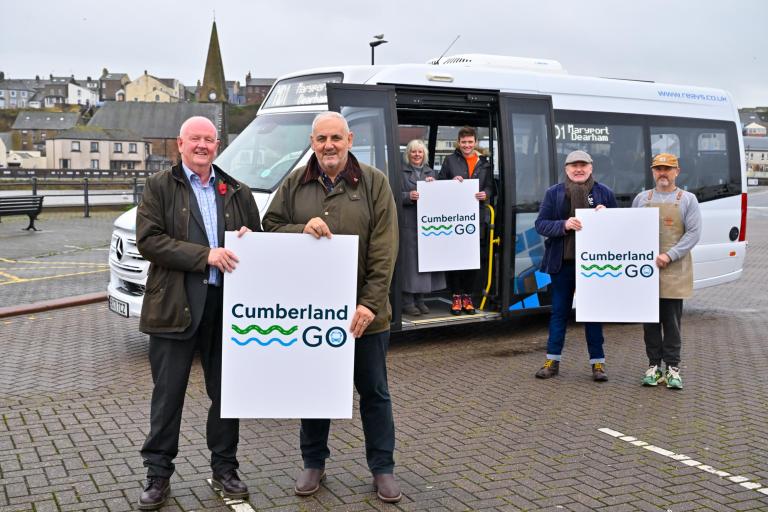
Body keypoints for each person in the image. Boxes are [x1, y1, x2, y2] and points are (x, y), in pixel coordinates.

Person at [262, 112, 401, 503]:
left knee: (374, 393)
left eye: (336, 138)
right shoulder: (295, 183)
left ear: (350, 139)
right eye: (321, 139)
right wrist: (300, 228)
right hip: (315, 316)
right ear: (312, 142)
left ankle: (383, 468)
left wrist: (369, 304)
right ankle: (313, 463)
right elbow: (269, 227)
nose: (329, 146)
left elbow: (385, 249)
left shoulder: (374, 183)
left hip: (365, 318)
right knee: (315, 392)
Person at [135, 116, 262, 510]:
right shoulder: (159, 186)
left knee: (226, 395)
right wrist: (204, 255)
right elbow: (149, 241)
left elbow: (258, 239)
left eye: (209, 139)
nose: (202, 145)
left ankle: (225, 468)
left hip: (226, 308)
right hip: (174, 306)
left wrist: (250, 239)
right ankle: (158, 475)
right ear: (181, 143)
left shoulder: (237, 190)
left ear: (217, 144)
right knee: (167, 395)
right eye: (195, 139)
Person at [534, 150, 617, 381]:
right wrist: (564, 224)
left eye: (583, 165)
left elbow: (619, 228)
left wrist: (608, 216)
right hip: (563, 264)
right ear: (566, 169)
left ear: (591, 168)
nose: (578, 169)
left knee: (593, 314)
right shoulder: (554, 193)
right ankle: (552, 361)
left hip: (594, 266)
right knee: (559, 313)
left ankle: (598, 364)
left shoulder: (604, 193)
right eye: (574, 165)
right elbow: (540, 224)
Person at [633, 153, 701, 390]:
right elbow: (629, 229)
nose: (663, 173)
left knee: (672, 322)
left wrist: (669, 255)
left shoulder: (688, 200)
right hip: (646, 272)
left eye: (667, 169)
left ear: (677, 172)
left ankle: (672, 367)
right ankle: (653, 366)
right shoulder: (642, 199)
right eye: (658, 169)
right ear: (653, 172)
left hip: (674, 270)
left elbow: (693, 233)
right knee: (650, 322)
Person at [438, 126, 493, 315]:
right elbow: (439, 183)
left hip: (476, 219)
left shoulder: (484, 163)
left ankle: (467, 297)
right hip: (454, 219)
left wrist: (485, 194)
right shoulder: (449, 160)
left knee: (472, 260)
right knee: (455, 260)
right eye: (464, 142)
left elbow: (491, 187)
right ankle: (456, 297)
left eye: (470, 142)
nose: (467, 145)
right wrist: (451, 182)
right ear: (458, 143)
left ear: (475, 142)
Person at [400, 139, 446, 316]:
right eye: (413, 151)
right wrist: (407, 196)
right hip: (409, 224)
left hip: (427, 226)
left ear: (424, 154)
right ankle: (407, 302)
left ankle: (420, 300)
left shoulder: (431, 172)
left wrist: (435, 186)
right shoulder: (399, 172)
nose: (417, 155)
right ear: (408, 154)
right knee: (410, 266)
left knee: (424, 264)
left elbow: (441, 196)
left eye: (420, 152)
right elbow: (391, 194)